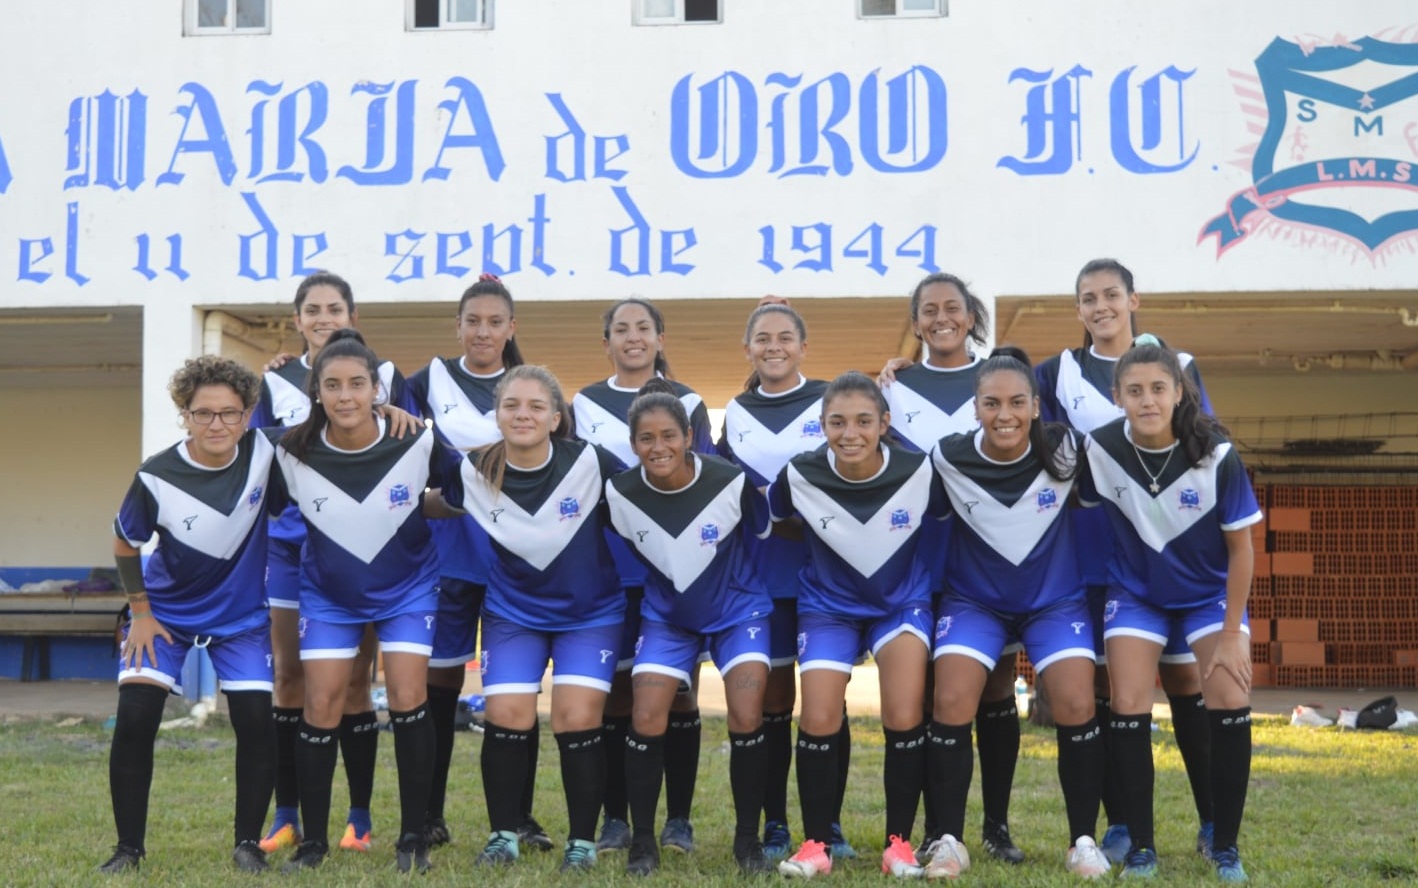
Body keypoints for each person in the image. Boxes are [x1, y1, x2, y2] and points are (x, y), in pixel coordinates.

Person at [1035, 258, 1218, 864]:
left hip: (1169, 547)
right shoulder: (1057, 373)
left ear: (1134, 298)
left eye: (1111, 294)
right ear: (1078, 309)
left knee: (1187, 677)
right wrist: (895, 373)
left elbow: (1205, 443)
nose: (1100, 306)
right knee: (1115, 682)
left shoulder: (1178, 365)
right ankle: (1120, 822)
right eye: (1088, 297)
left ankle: (1213, 816)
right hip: (1090, 546)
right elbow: (993, 390)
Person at [922, 347, 1109, 879]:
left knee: (1077, 702)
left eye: (1016, 402)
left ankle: (1083, 841)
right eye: (991, 403)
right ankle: (949, 841)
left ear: (1034, 406)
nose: (1004, 414)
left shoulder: (1066, 450)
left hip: (1054, 601)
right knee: (952, 700)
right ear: (975, 406)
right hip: (974, 601)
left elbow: (1100, 499)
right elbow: (928, 515)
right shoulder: (949, 456)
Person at [251, 271, 416, 857]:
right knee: (290, 676)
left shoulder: (388, 377)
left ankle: (360, 816)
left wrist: (397, 412)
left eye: (336, 308)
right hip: (289, 546)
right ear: (297, 320)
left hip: (359, 545)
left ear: (352, 316)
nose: (325, 318)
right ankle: (289, 811)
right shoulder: (273, 383)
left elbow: (413, 441)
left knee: (352, 681)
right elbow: (258, 461)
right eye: (313, 309)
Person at [1083, 337, 1259, 882]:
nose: (1147, 400)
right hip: (1136, 595)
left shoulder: (1216, 455)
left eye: (1158, 388)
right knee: (1129, 701)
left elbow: (1242, 548)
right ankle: (1142, 847)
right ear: (1117, 396)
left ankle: (1224, 845)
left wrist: (1232, 633)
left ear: (1179, 392)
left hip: (1207, 596)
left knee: (1229, 691)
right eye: (1134, 391)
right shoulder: (1098, 448)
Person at [270, 329, 445, 874]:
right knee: (320, 703)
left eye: (357, 384)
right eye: (332, 385)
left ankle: (413, 837)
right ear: (315, 391)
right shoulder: (288, 449)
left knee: (406, 693)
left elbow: (471, 486)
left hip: (408, 587)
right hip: (328, 592)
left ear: (377, 389)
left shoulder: (415, 438)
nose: (345, 396)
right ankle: (315, 843)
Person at [439, 364, 626, 873]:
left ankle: (582, 844)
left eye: (536, 406)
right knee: (506, 717)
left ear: (556, 418)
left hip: (590, 614)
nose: (523, 414)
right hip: (512, 613)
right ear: (496, 415)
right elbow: (425, 495)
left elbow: (646, 501)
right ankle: (503, 835)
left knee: (576, 719)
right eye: (511, 405)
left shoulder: (590, 461)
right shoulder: (470, 470)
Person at [102, 356, 276, 874]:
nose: (217, 424)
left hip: (242, 617)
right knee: (134, 719)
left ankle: (248, 844)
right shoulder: (156, 475)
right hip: (165, 615)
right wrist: (141, 613)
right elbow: (124, 541)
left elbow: (332, 419)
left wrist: (388, 408)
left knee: (255, 722)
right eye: (203, 413)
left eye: (229, 413)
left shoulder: (266, 452)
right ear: (185, 414)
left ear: (247, 416)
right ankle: (128, 850)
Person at [878, 273, 1026, 864]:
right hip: (919, 555)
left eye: (954, 309)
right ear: (915, 323)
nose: (942, 318)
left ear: (972, 318)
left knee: (992, 683)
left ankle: (995, 825)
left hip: (992, 553)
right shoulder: (895, 385)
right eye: (929, 310)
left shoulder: (1002, 378)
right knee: (935, 695)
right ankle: (933, 829)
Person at [767, 371, 938, 879]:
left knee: (903, 713)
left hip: (900, 603)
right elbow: (780, 519)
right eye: (837, 422)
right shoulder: (798, 473)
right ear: (821, 425)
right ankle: (816, 844)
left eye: (864, 421)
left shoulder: (919, 469)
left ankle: (899, 845)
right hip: (828, 605)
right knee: (818, 716)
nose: (850, 433)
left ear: (885, 423)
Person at [604, 380, 775, 876]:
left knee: (746, 713)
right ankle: (642, 843)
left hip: (739, 613)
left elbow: (763, 531)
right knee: (647, 714)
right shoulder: (619, 492)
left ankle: (748, 843)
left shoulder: (730, 481)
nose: (658, 447)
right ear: (633, 443)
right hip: (668, 618)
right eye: (646, 439)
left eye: (669, 436)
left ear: (688, 437)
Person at [404, 273, 550, 852]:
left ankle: (520, 816)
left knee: (515, 690)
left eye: (495, 322)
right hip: (447, 559)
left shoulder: (528, 387)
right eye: (473, 321)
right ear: (457, 326)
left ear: (511, 328)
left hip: (519, 557)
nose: (483, 331)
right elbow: (407, 456)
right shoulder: (423, 383)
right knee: (437, 685)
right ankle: (429, 814)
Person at [572, 298, 716, 856]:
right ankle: (616, 819)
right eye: (620, 330)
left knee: (678, 693)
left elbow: (702, 484)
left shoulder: (691, 402)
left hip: (674, 567)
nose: (632, 338)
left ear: (660, 337)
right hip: (607, 567)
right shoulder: (582, 403)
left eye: (643, 328)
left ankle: (677, 820)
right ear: (605, 341)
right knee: (615, 695)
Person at [719, 301, 856, 861]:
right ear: (748, 348)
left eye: (784, 337)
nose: (773, 346)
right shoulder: (735, 412)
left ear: (804, 346)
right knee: (774, 701)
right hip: (761, 578)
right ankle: (775, 823)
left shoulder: (832, 402)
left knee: (828, 701)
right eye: (762, 338)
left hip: (827, 574)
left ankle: (828, 825)